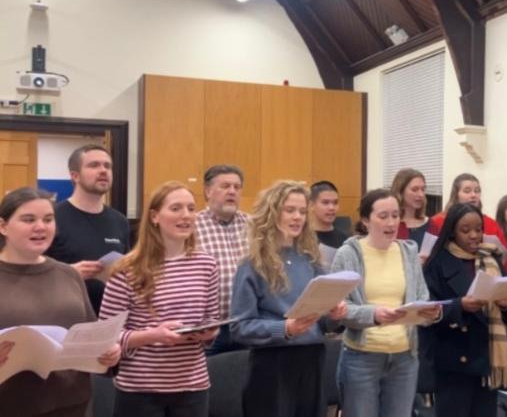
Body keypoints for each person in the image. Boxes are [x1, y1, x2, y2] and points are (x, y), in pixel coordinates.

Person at [99, 181, 220, 416]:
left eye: (191, 208)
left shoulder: (207, 265)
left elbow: (211, 320)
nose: (186, 215)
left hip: (192, 386)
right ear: (155, 216)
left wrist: (208, 332)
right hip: (140, 388)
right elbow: (106, 335)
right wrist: (153, 335)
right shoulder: (127, 269)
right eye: (176, 208)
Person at [0, 187, 120, 417]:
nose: (40, 227)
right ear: (3, 226)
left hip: (71, 404)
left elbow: (92, 336)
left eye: (48, 219)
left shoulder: (68, 274)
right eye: (28, 220)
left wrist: (108, 352)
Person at [230, 181, 347, 417]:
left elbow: (322, 323)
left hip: (312, 359)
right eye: (289, 210)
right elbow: (240, 327)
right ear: (272, 213)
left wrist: (335, 316)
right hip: (273, 363)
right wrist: (285, 328)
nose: (297, 217)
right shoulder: (252, 265)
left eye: (302, 211)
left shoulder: (311, 260)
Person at [331, 188, 440, 417]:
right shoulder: (348, 254)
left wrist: (430, 313)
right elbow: (339, 308)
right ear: (365, 220)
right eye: (383, 216)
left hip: (404, 358)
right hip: (362, 358)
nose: (391, 223)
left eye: (395, 215)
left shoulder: (408, 252)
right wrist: (373, 315)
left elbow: (422, 297)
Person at [424, 203, 507, 417]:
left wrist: (506, 305)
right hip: (454, 359)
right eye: (465, 230)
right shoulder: (437, 263)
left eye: (478, 229)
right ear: (452, 232)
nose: (474, 235)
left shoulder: (491, 258)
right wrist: (460, 306)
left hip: (487, 358)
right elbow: (427, 311)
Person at [46, 144, 130, 314]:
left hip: (110, 319)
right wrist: (69, 274)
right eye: (94, 165)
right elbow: (30, 272)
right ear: (75, 176)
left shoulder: (120, 221)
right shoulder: (51, 218)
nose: (103, 170)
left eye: (107, 166)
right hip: (64, 317)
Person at [195, 164, 249, 355]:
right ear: (208, 191)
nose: (232, 191)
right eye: (225, 186)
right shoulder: (191, 226)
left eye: (237, 187)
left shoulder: (254, 226)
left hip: (247, 325)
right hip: (209, 330)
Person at [427, 173, 507, 248]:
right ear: (456, 195)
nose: (473, 195)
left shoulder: (491, 224)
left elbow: (506, 255)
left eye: (477, 191)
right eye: (467, 191)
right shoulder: (438, 221)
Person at [391, 168, 429, 248]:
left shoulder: (431, 225)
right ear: (400, 192)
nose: (421, 194)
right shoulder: (389, 225)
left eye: (423, 189)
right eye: (414, 190)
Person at [309, 180, 350, 248]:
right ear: (311, 205)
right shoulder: (301, 238)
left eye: (335, 203)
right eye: (325, 203)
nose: (331, 208)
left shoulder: (346, 241)